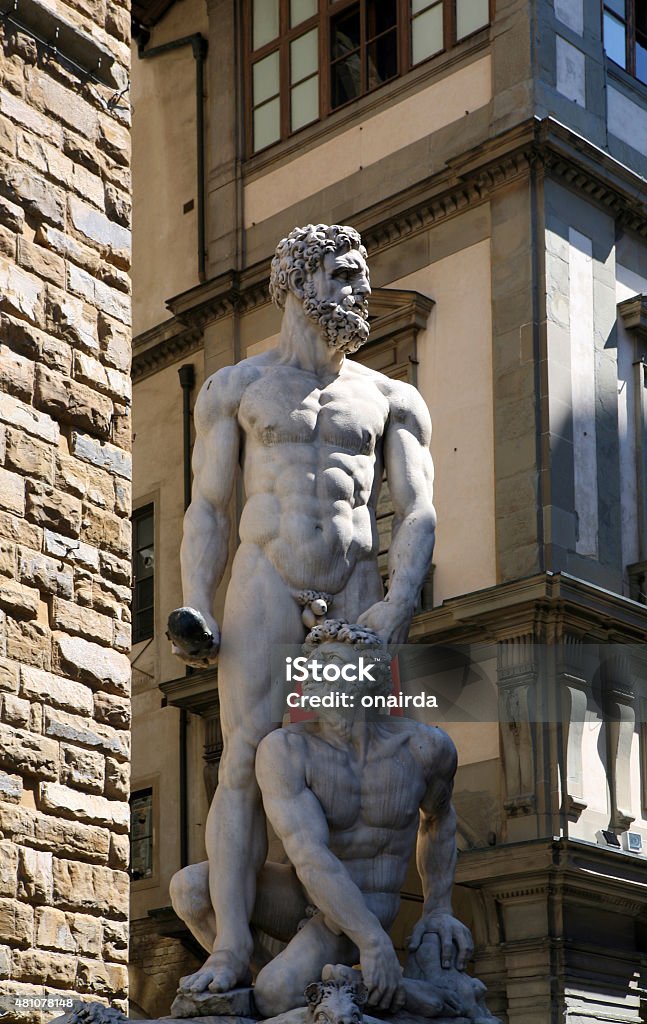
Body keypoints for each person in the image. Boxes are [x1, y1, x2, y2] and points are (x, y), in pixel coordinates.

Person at [169, 223, 436, 993]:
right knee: (247, 760)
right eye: (345, 276)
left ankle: (353, 941)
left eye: (360, 276)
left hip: (354, 586)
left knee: (360, 760)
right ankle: (225, 948)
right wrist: (194, 602)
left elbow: (417, 510)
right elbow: (209, 508)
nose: (360, 290)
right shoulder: (237, 387)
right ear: (298, 280)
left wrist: (396, 602)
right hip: (264, 581)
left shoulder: (391, 396)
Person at [170, 623, 473, 1017]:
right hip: (303, 890)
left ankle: (343, 986)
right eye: (310, 665)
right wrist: (375, 944)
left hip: (365, 902)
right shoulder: (286, 749)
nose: (313, 674)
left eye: (329, 664)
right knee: (189, 888)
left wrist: (437, 909)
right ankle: (271, 979)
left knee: (277, 995)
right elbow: (308, 854)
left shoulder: (425, 748)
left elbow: (437, 822)